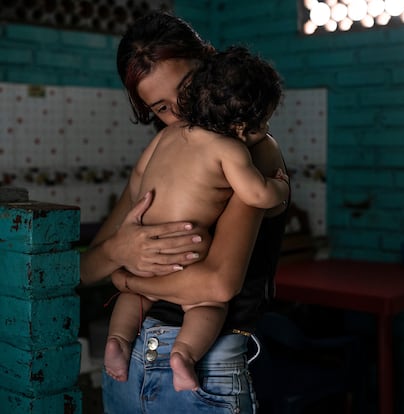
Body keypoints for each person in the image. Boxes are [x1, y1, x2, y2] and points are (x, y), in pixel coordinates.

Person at [80, 11, 290, 414]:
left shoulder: (250, 149)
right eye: (161, 107)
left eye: (188, 87)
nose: (183, 111)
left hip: (204, 365)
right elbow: (87, 268)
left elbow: (217, 286)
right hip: (128, 365)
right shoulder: (165, 149)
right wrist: (122, 250)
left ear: (208, 61)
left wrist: (126, 278)